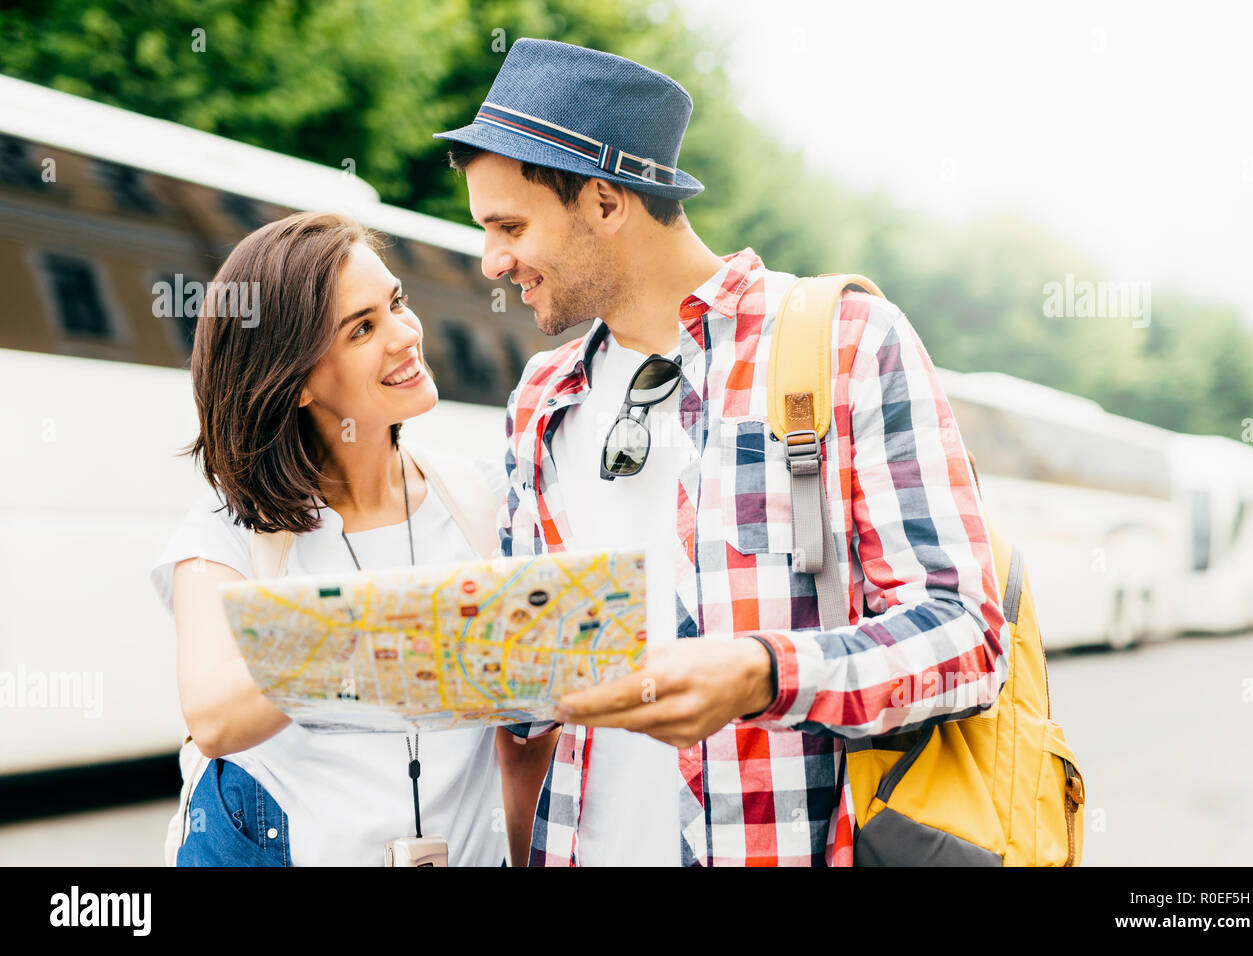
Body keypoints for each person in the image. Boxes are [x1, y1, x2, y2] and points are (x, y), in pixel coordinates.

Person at [434, 38, 1011, 866]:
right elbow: (530, 700)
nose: (492, 260)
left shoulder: (847, 341)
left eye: (510, 226)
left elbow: (967, 637)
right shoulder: (539, 394)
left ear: (605, 202)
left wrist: (762, 672)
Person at [148, 211, 554, 866]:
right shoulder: (229, 532)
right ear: (301, 379)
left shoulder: (487, 502)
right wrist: (400, 631)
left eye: (395, 303)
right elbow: (215, 718)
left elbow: (522, 743)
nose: (404, 335)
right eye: (362, 328)